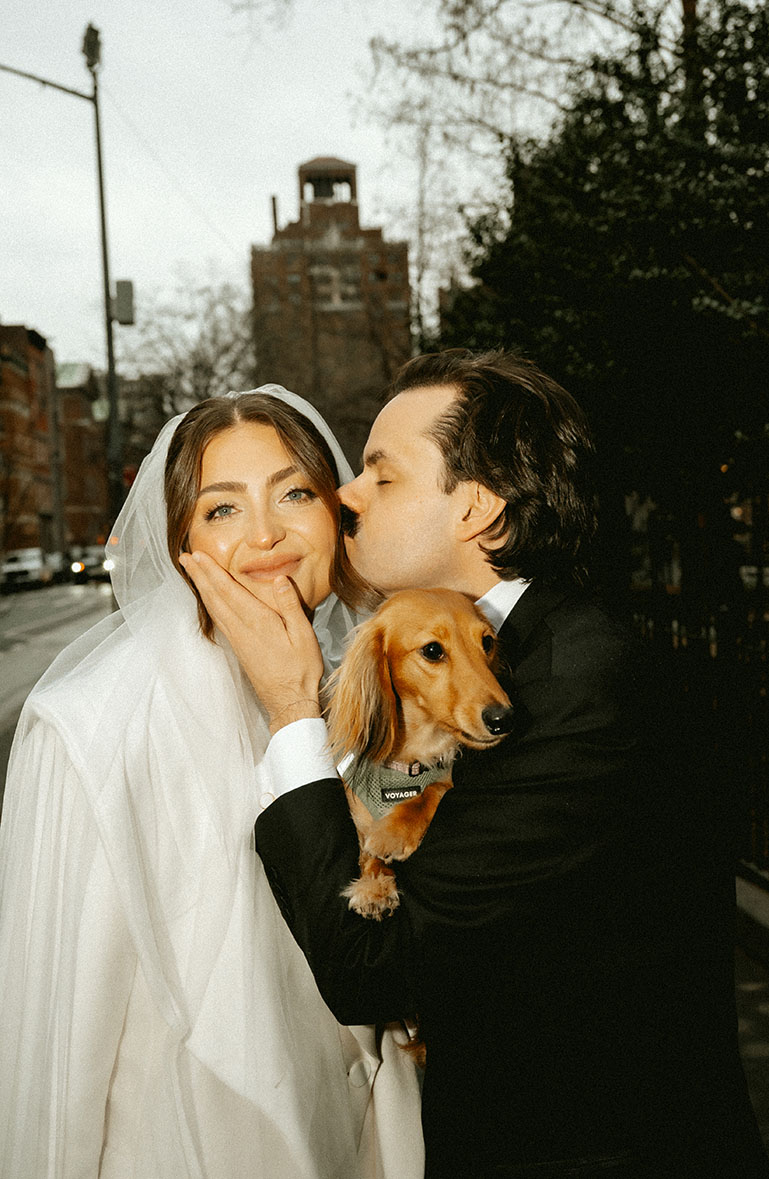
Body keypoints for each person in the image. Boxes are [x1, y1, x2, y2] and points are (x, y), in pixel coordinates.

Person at [183, 350, 769, 1179]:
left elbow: (371, 968)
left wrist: (290, 712)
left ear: (477, 507)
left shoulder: (577, 688)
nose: (345, 494)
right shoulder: (510, 646)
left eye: (381, 478)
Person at [0, 387, 423, 1179]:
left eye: (295, 493)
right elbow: (59, 1041)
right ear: (179, 542)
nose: (265, 533)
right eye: (220, 509)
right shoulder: (90, 728)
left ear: (337, 512)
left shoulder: (367, 693)